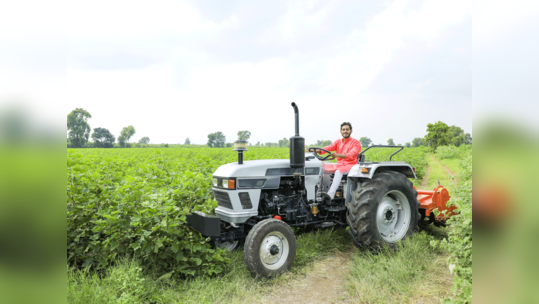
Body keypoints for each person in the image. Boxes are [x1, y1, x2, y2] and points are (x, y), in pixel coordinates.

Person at [308, 122, 361, 200]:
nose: (345, 131)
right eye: (343, 129)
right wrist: (315, 150)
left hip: (351, 164)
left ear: (351, 131)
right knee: (323, 169)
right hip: (340, 164)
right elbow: (328, 148)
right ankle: (317, 194)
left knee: (339, 171)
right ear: (341, 131)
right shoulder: (338, 142)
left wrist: (337, 155)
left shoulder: (355, 143)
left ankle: (330, 194)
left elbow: (351, 154)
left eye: (347, 129)